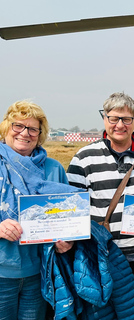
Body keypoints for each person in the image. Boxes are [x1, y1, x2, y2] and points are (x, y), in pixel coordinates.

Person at [67, 92, 134, 300]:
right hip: (100, 255)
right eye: (114, 118)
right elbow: (71, 206)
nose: (120, 125)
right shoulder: (83, 158)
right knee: (100, 312)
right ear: (105, 118)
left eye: (126, 119)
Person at [0, 101, 79, 320]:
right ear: (6, 127)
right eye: (18, 126)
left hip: (40, 273)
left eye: (33, 128)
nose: (25, 133)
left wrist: (68, 240)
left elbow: (68, 214)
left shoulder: (53, 168)